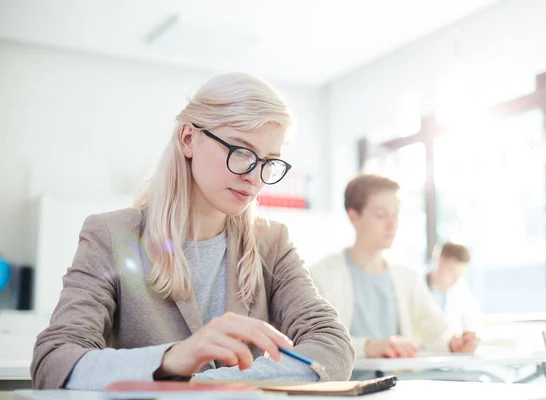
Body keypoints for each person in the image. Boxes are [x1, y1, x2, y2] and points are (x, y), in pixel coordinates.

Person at [31, 73, 354, 390]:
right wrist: (173, 359)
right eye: (241, 152)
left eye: (269, 161)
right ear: (188, 138)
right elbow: (55, 360)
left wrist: (198, 384)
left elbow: (332, 347)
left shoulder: (272, 242)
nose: (255, 178)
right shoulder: (113, 235)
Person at [309, 174, 478, 359]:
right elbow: (317, 342)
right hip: (346, 383)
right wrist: (369, 347)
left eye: (395, 214)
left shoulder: (407, 277)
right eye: (381, 215)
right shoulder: (320, 276)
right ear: (354, 217)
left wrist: (454, 343)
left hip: (401, 383)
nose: (392, 225)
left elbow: (435, 329)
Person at [425, 242, 482, 333]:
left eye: (459, 276)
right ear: (440, 260)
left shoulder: (460, 288)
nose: (455, 281)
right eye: (452, 272)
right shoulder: (418, 285)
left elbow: (473, 323)